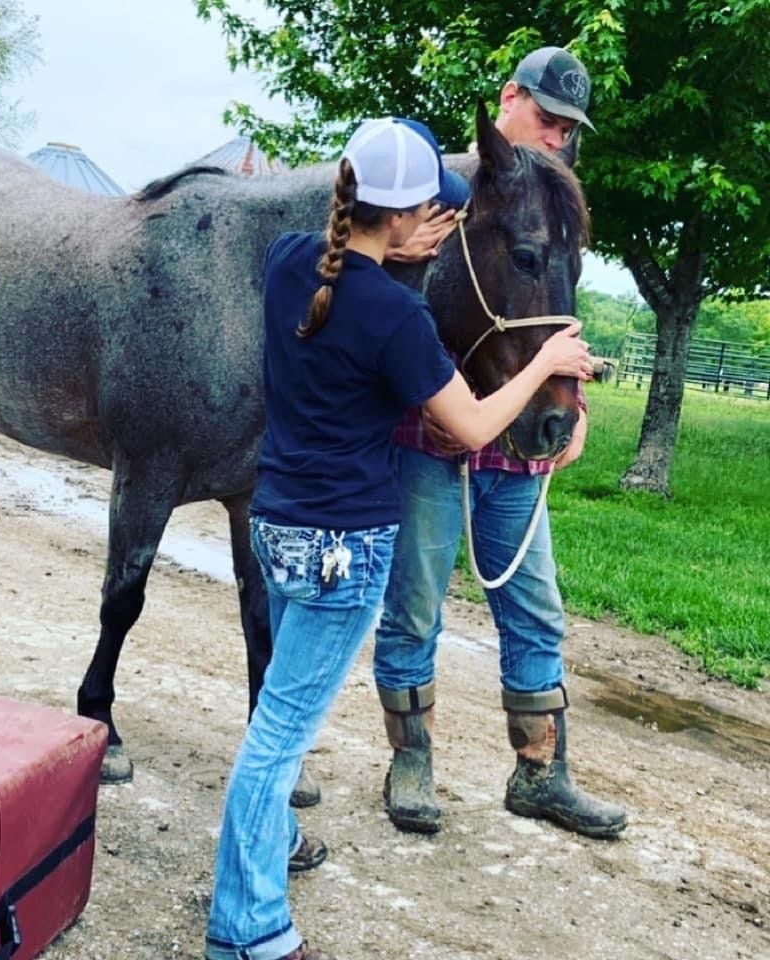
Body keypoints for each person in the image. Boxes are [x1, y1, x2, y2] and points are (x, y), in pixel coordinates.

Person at [204, 116, 592, 960]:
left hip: (278, 525)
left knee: (276, 720)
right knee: (281, 734)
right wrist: (546, 359)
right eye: (433, 212)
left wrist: (398, 242)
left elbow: (339, 258)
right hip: (347, 548)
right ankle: (248, 927)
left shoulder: (288, 267)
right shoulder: (397, 321)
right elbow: (480, 420)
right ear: (411, 218)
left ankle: (262, 868)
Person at [373, 46, 629, 840]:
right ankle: (412, 758)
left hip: (513, 450)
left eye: (568, 129)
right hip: (428, 438)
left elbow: (552, 308)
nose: (556, 139)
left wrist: (574, 404)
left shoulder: (554, 202)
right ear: (508, 100)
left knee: (535, 609)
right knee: (414, 608)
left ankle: (541, 772)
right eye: (547, 120)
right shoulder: (439, 196)